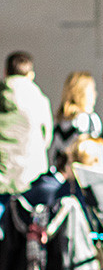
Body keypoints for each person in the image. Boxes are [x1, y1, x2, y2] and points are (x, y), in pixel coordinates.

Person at [0, 51, 53, 199]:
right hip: (30, 177)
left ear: (5, 72)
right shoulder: (40, 100)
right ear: (31, 75)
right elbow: (46, 139)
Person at [49, 72, 103, 166]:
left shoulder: (59, 120)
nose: (95, 94)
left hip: (59, 173)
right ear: (82, 93)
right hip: (80, 173)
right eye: (92, 90)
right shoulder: (90, 119)